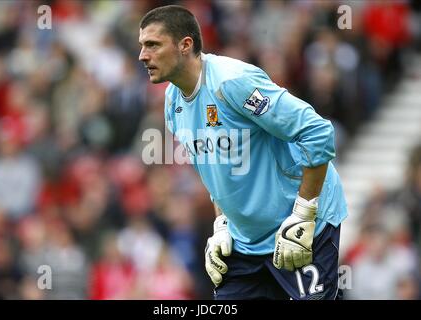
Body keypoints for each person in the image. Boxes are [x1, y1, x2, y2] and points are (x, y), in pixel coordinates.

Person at [138, 5, 347, 300]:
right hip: (245, 245)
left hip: (301, 227)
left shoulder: (232, 83)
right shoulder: (173, 103)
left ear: (185, 45)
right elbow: (216, 172)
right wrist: (222, 224)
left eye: (153, 45)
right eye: (142, 46)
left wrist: (304, 213)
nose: (142, 55)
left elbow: (317, 132)